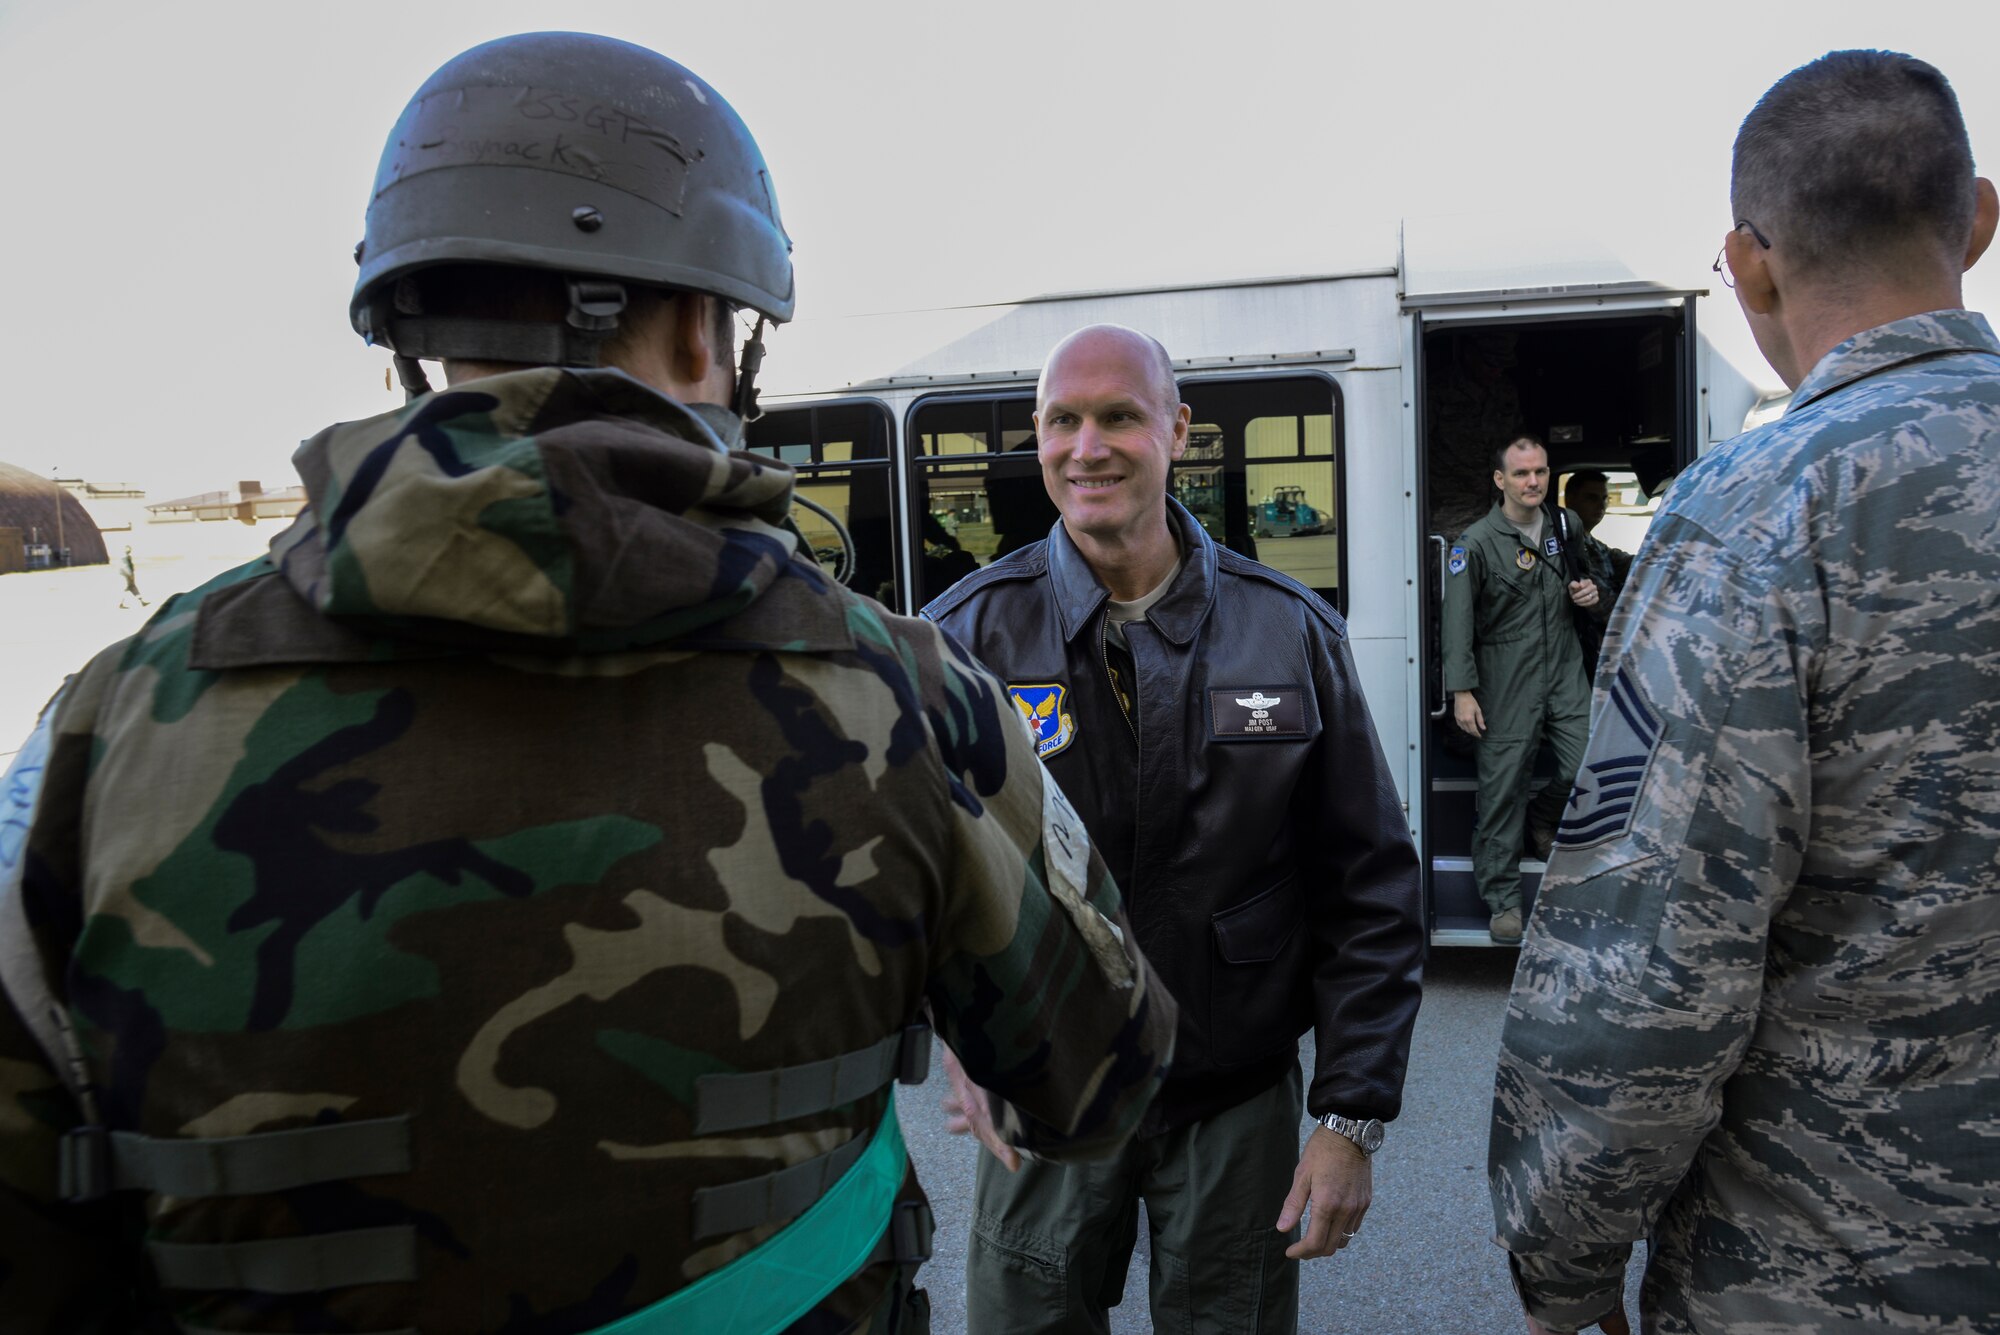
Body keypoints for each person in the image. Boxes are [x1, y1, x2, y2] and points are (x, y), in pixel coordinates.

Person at [0, 34, 1177, 1334]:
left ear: (409, 331)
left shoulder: (106, 728)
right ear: (702, 324)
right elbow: (1103, 1075)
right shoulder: (900, 693)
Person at [1489, 49, 2000, 1335]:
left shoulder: (1756, 517)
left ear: (1749, 261)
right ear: (1977, 222)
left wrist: (1559, 1269)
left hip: (1826, 1275)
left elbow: (1644, 978)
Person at [923, 324, 1425, 1335]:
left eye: (1118, 417)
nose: (1087, 446)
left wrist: (1349, 1121)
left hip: (1232, 1103)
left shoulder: (1286, 631)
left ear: (1177, 431)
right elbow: (920, 876)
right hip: (1048, 1099)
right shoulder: (966, 635)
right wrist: (963, 1041)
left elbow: (1366, 888)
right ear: (1036, 434)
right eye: (1062, 420)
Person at [1442, 437, 1605, 943]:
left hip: (1563, 669)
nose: (1531, 482)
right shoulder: (1475, 543)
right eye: (1520, 474)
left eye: (1539, 472)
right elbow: (1457, 623)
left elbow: (1591, 579)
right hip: (1504, 675)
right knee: (1501, 791)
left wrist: (1592, 594)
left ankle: (1545, 812)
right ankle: (1503, 901)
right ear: (1500, 480)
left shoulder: (1566, 525)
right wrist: (1462, 691)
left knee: (1588, 766)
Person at [1559, 469, 1632, 603]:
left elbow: (1626, 562)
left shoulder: (1591, 542)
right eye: (1592, 498)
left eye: (1604, 499)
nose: (1601, 505)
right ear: (1570, 499)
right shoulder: (1566, 545)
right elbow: (1605, 606)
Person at [116, 544, 147, 608]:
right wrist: (130, 575)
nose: (129, 550)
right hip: (126, 576)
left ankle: (142, 602)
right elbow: (125, 566)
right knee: (129, 588)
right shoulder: (124, 557)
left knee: (133, 588)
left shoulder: (127, 556)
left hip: (128, 575)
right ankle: (120, 603)